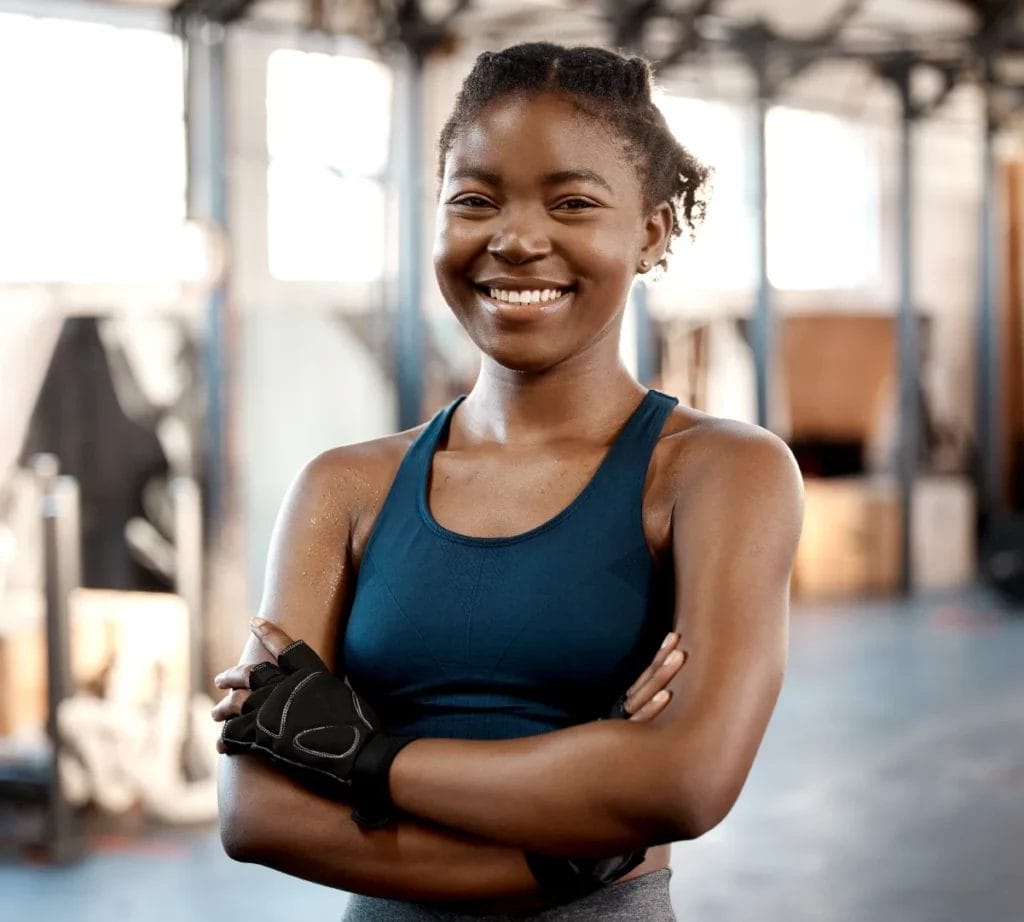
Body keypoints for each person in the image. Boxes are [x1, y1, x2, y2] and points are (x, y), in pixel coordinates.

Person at [212, 42, 803, 921]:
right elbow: (259, 815)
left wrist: (362, 757)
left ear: (650, 231)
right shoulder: (345, 488)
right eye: (474, 200)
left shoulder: (719, 472)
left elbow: (685, 780)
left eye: (572, 203)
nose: (517, 239)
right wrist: (572, 842)